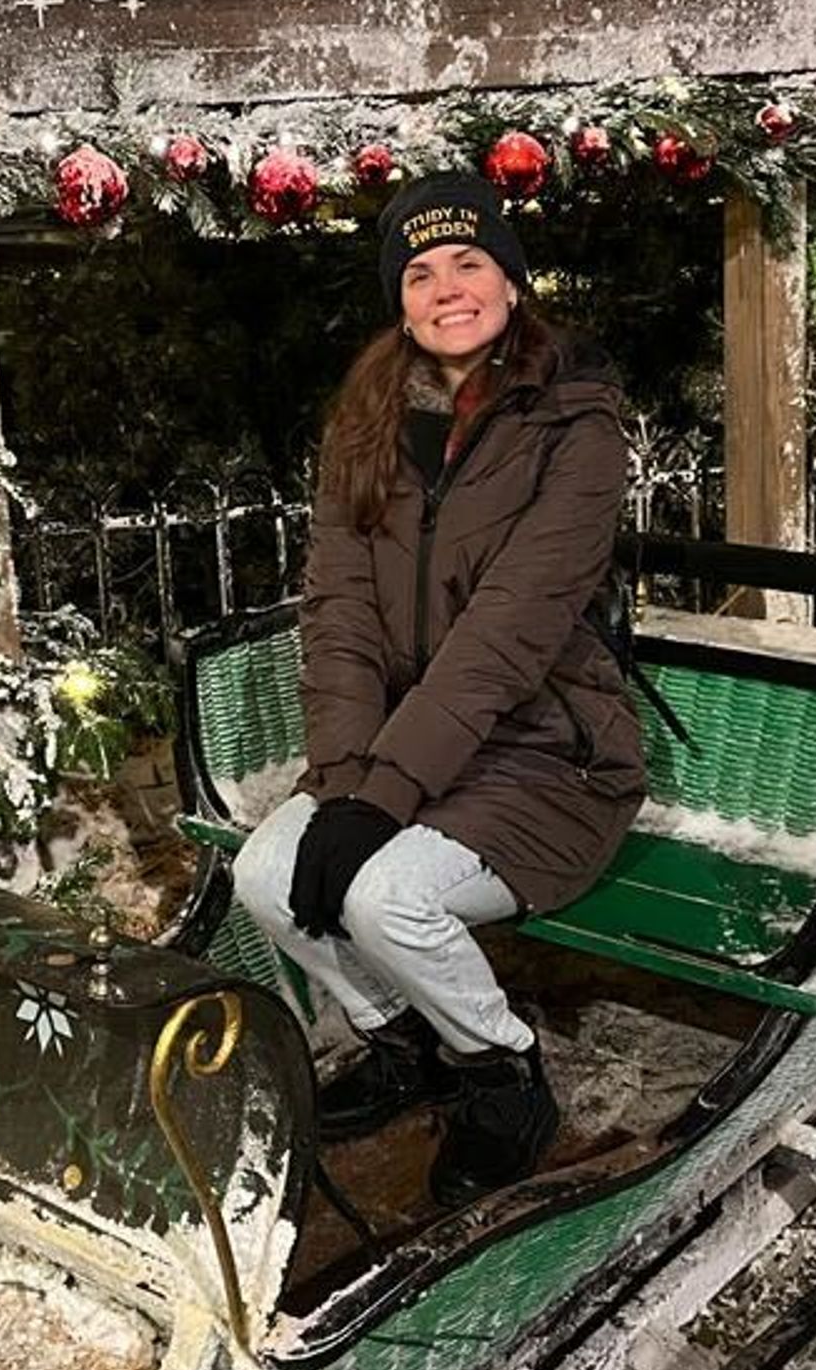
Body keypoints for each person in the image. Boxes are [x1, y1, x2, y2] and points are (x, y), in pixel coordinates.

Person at [232, 172, 646, 1206]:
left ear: (510, 281)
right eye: (420, 272)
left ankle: (503, 1074)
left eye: (469, 262)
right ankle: (403, 1039)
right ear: (399, 298)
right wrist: (341, 781)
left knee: (384, 893)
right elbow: (340, 622)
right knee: (266, 877)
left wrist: (377, 801)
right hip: (409, 749)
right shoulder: (368, 423)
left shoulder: (575, 427)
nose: (447, 288)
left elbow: (506, 637)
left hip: (547, 752)